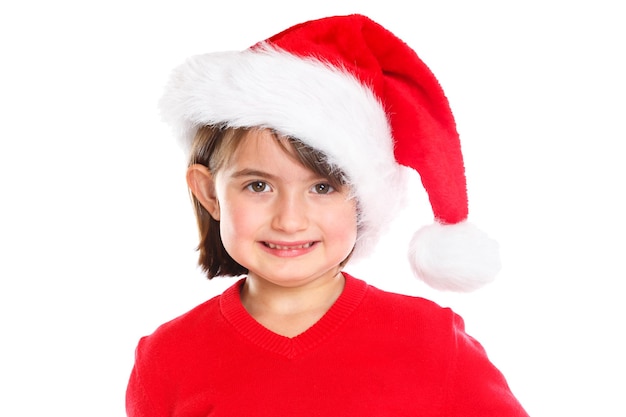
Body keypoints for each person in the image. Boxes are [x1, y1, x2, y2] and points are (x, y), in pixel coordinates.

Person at [126, 14, 529, 416]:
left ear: (364, 199)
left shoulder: (431, 340)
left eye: (322, 188)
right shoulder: (167, 358)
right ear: (208, 192)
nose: (290, 220)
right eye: (258, 186)